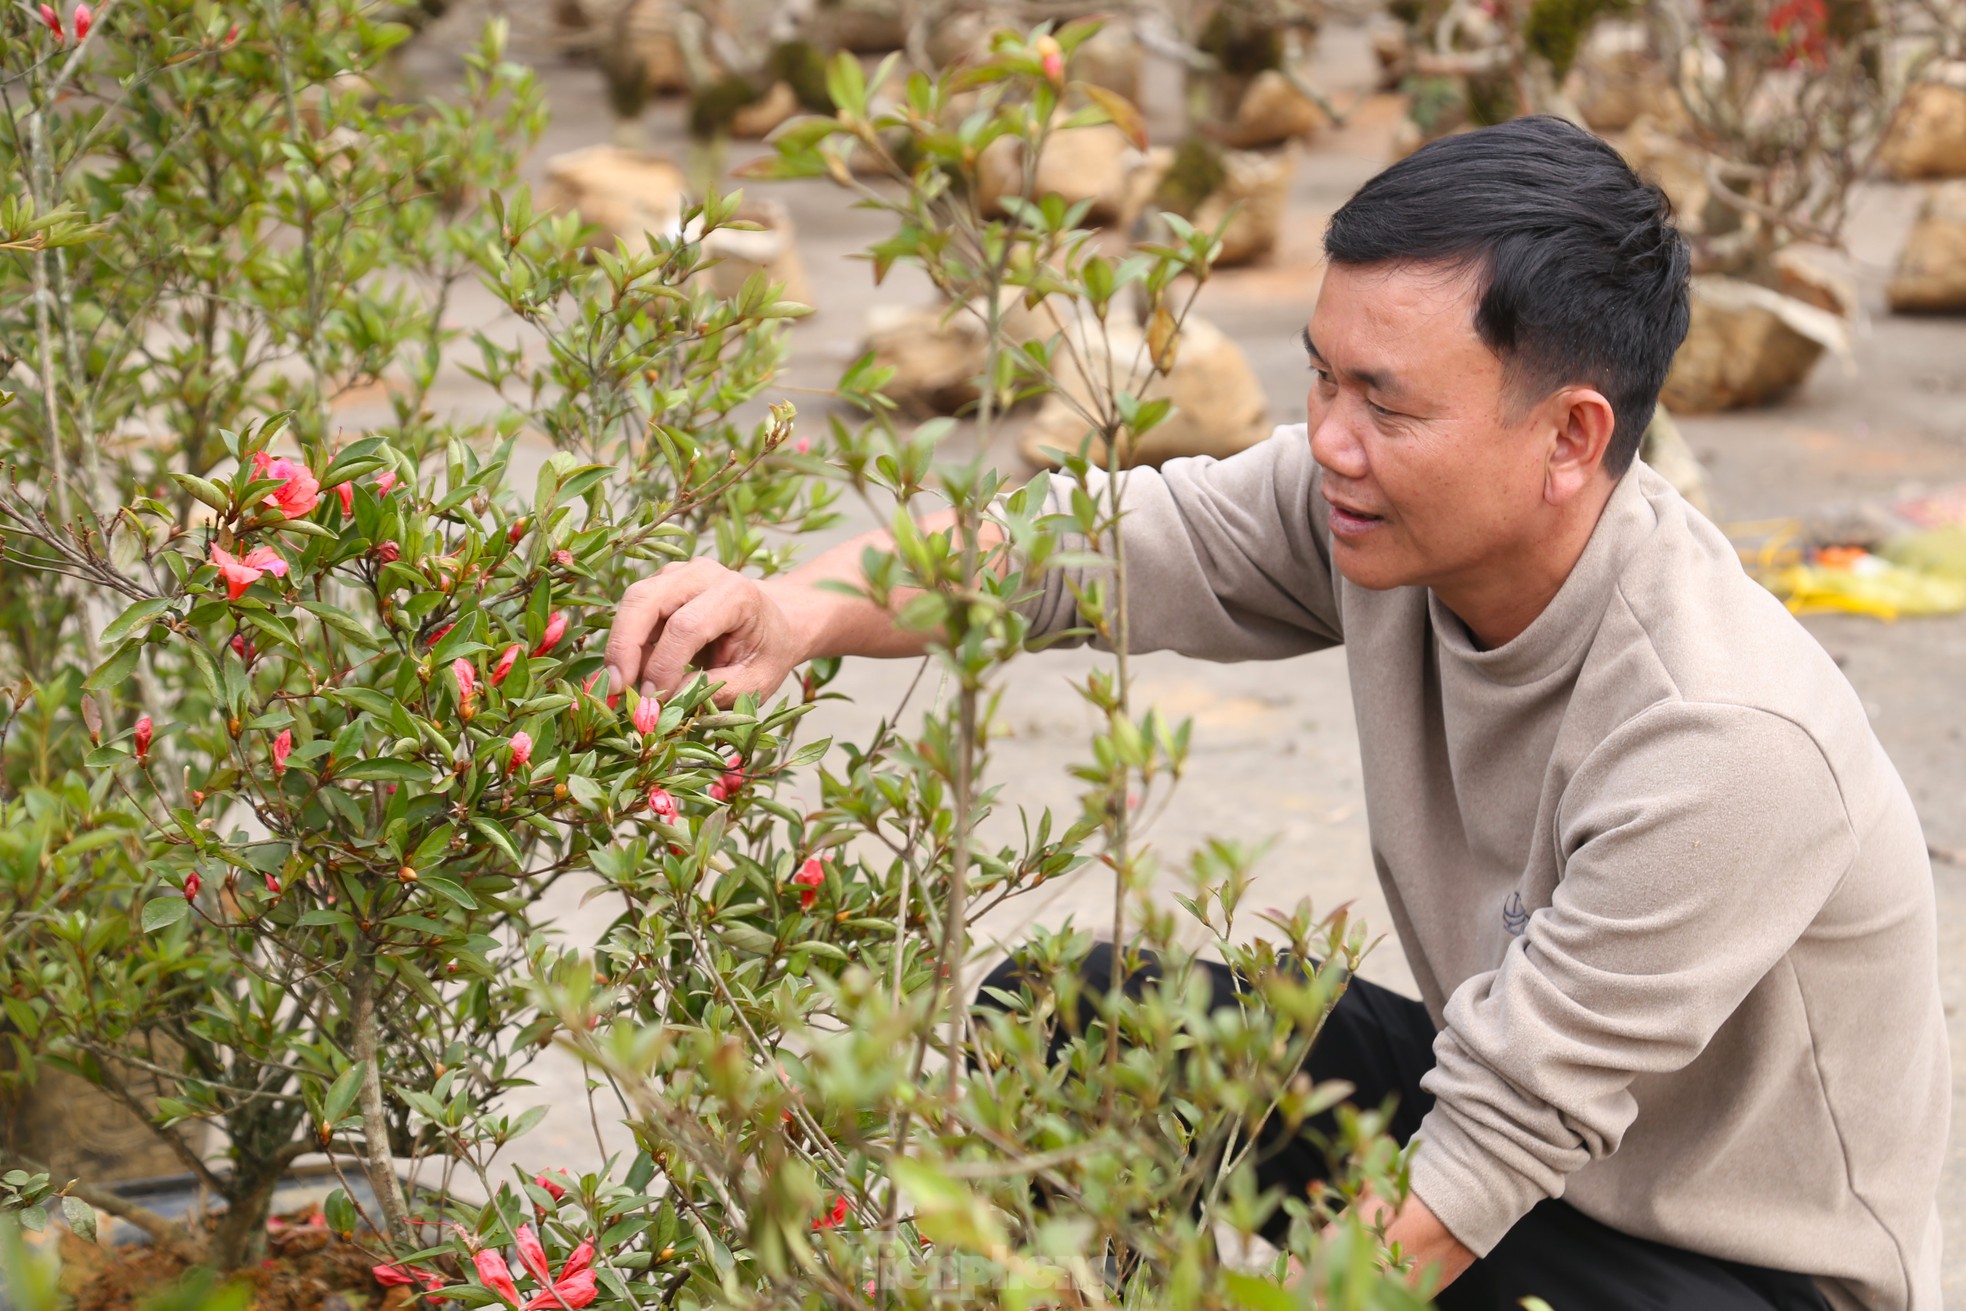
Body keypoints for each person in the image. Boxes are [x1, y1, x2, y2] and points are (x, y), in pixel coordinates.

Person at [603, 117, 1948, 1309]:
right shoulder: (1364, 509)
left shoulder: (1718, 737)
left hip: (1736, 1265)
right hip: (1519, 1124)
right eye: (1322, 378)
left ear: (1570, 437)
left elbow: (1479, 1165)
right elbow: (1074, 544)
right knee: (1083, 1019)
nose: (1332, 439)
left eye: (1386, 402)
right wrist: (796, 608)